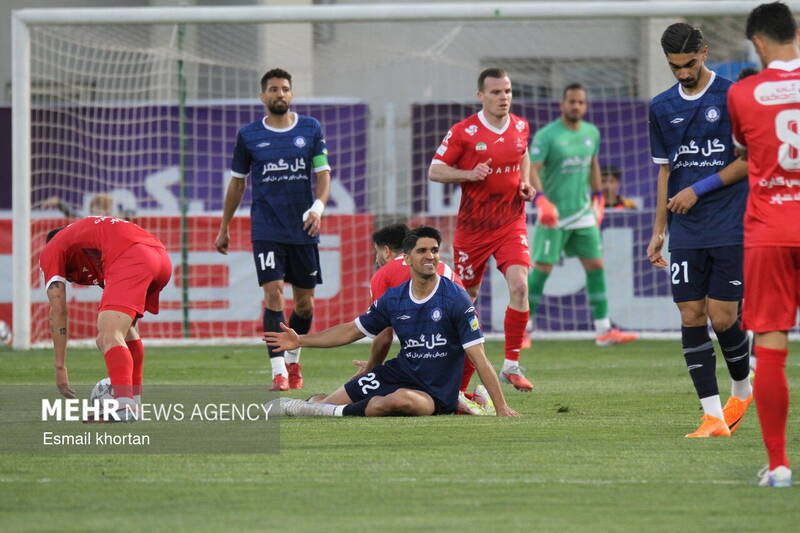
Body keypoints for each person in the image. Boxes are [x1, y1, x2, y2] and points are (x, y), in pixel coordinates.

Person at [265, 226, 520, 417]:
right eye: (422, 251)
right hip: (399, 371)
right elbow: (353, 330)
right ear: (406, 258)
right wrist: (301, 340)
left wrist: (502, 408)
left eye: (434, 251)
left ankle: (321, 411)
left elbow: (479, 356)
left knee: (391, 402)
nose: (430, 256)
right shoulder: (394, 298)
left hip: (434, 390)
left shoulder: (455, 298)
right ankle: (318, 405)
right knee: (331, 400)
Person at [647, 23, 753, 438]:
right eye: (675, 67)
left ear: (704, 53)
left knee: (724, 318)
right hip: (686, 229)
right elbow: (665, 171)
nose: (683, 73)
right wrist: (659, 229)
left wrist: (699, 188)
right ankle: (712, 416)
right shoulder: (660, 107)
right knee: (691, 313)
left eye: (689, 64)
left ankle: (742, 389)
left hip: (729, 222)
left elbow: (749, 161)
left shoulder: (733, 97)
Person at [215, 68, 331, 392]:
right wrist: (225, 226)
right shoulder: (249, 135)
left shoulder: (310, 129)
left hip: (304, 226)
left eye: (284, 89)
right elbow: (237, 183)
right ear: (263, 96)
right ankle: (278, 369)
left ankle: (294, 361)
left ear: (291, 94)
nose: (279, 94)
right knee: (273, 291)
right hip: (266, 226)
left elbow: (323, 174)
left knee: (305, 304)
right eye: (273, 89)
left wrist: (318, 207)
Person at [726, 1, 800, 487]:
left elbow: (745, 151)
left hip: (770, 228)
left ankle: (777, 466)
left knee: (771, 346)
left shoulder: (744, 93)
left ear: (758, 41)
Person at [428, 67, 535, 391]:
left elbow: (523, 154)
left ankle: (512, 364)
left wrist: (526, 183)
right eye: (496, 92)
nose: (504, 98)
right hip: (473, 229)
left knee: (519, 286)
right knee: (467, 299)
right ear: (481, 96)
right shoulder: (464, 131)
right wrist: (467, 174)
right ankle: (457, 379)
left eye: (508, 91)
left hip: (510, 222)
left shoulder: (520, 126)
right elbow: (435, 170)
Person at [527, 84, 638, 347]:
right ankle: (524, 327)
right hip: (554, 215)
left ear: (585, 106)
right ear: (562, 104)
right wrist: (541, 200)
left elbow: (593, 164)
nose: (576, 106)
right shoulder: (547, 135)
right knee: (542, 269)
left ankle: (603, 330)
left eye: (580, 102)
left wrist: (598, 197)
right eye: (571, 101)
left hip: (582, 213)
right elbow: (532, 169)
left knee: (596, 266)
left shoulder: (591, 133)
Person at [39, 216, 172, 419]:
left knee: (109, 335)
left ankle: (123, 405)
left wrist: (60, 366)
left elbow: (58, 310)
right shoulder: (91, 245)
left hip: (132, 256)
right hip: (161, 258)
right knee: (123, 333)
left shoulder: (52, 249)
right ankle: (133, 402)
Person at [364, 223, 491, 415]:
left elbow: (384, 337)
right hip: (468, 348)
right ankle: (464, 396)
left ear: (387, 251)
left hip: (439, 353)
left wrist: (370, 371)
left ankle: (458, 398)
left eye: (377, 253)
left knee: (416, 397)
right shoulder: (439, 266)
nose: (377, 259)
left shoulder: (383, 275)